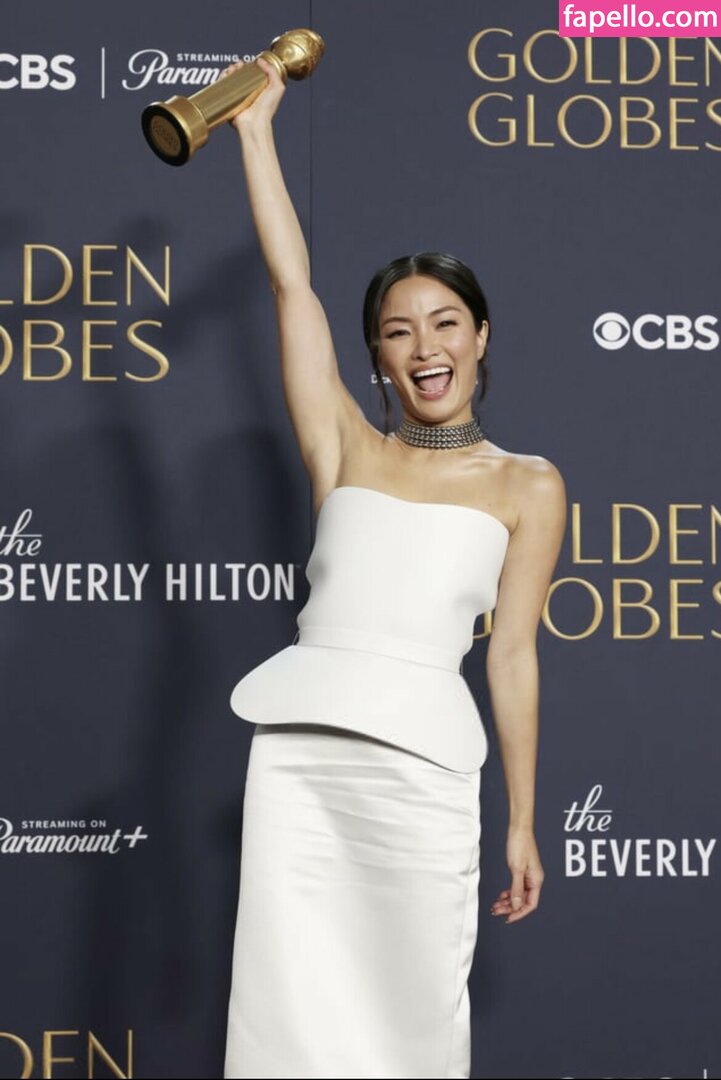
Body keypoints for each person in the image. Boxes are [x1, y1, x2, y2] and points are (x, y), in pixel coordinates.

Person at [220, 55, 567, 1080]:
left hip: (424, 775)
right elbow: (291, 284)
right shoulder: (343, 447)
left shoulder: (528, 485)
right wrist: (254, 131)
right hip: (299, 760)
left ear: (479, 336)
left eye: (444, 322)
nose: (423, 347)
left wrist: (522, 821)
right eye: (396, 331)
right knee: (285, 1008)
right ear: (376, 356)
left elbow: (511, 657)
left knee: (411, 1012)